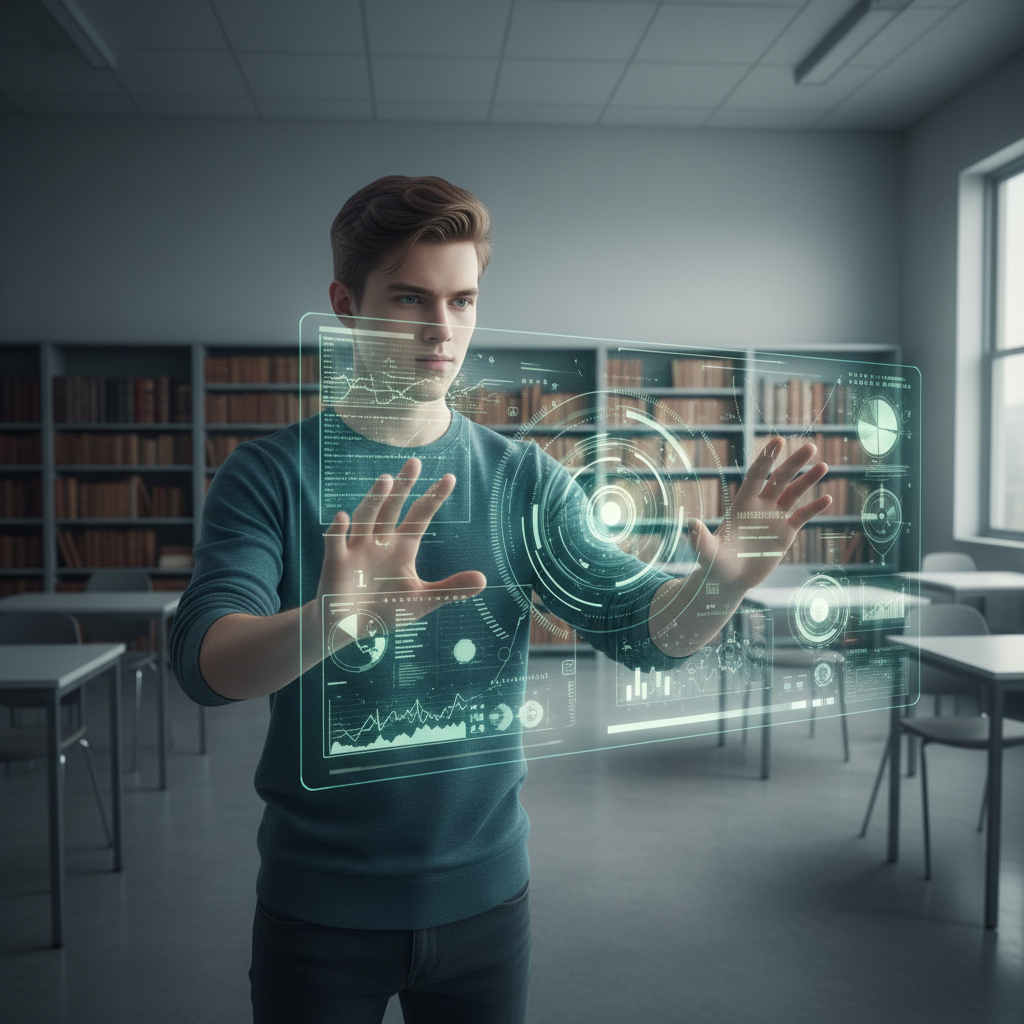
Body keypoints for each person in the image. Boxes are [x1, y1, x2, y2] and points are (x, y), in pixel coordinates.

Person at [170, 175, 831, 1024]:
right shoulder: (267, 476)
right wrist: (333, 622)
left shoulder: (524, 480)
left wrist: (720, 587)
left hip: (486, 903)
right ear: (345, 306)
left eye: (462, 301)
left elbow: (645, 632)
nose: (440, 330)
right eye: (409, 299)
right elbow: (204, 664)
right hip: (320, 909)